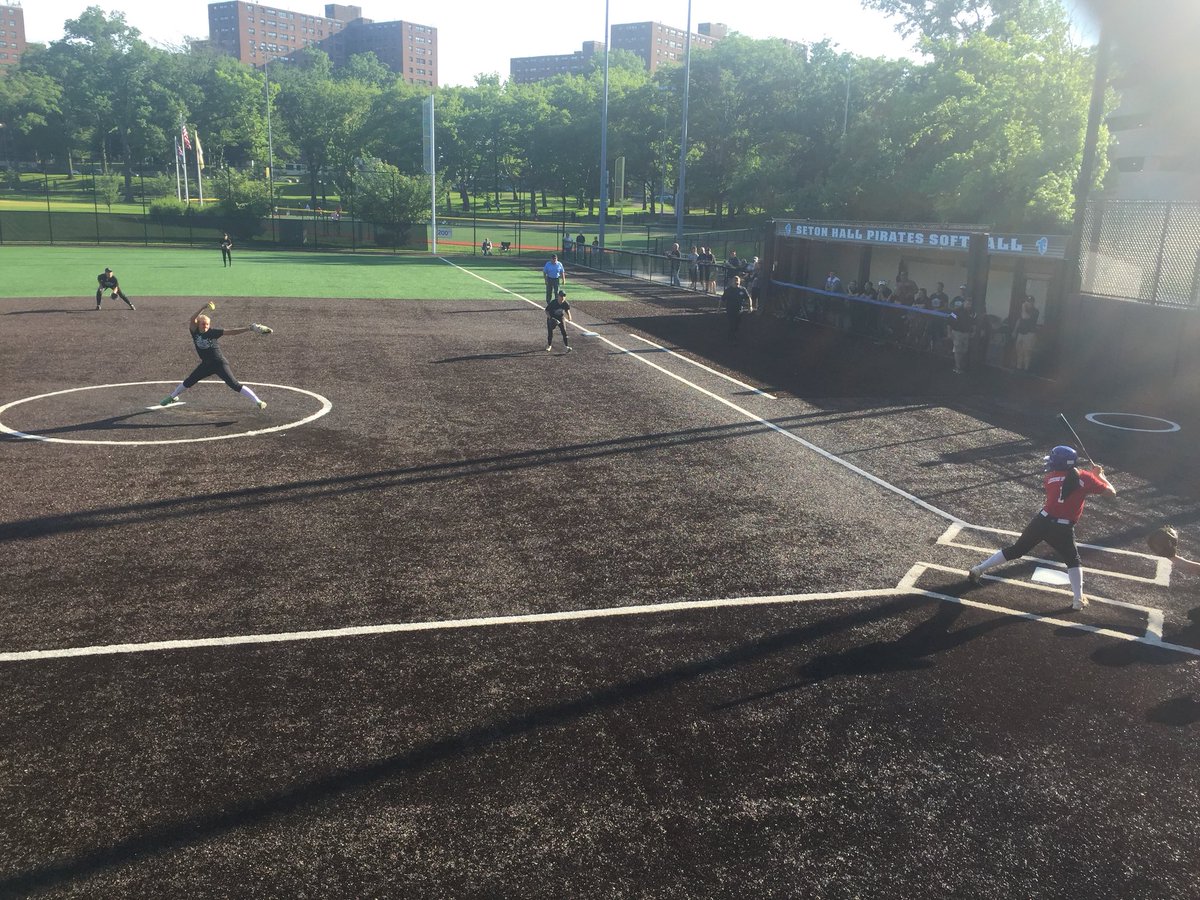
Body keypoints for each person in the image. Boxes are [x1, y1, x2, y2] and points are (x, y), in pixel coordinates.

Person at [969, 445, 1116, 610]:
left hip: (1042, 522)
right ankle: (1078, 600)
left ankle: (979, 569)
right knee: (1073, 561)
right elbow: (1111, 492)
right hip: (1063, 528)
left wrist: (1091, 476)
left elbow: (1070, 480)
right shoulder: (1086, 479)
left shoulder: (1049, 478)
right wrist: (1099, 476)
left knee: (1016, 550)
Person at [159, 301, 271, 409]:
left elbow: (232, 331)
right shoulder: (194, 331)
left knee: (234, 385)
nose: (205, 326)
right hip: (206, 365)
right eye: (203, 324)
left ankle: (258, 401)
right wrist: (203, 307)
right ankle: (172, 397)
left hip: (219, 364)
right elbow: (192, 319)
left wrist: (249, 328)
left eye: (207, 324)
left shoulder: (212, 332)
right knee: (189, 381)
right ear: (198, 324)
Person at [949, 296, 976, 374]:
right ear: (964, 303)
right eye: (967, 303)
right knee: (958, 350)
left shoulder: (972, 312)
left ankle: (960, 365)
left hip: (966, 333)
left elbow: (974, 323)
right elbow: (949, 322)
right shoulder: (956, 311)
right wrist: (949, 333)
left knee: (964, 350)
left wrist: (974, 332)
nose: (969, 305)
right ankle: (957, 367)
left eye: (970, 304)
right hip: (957, 333)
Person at [1013, 295, 1040, 370]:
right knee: (1019, 351)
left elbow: (1025, 317)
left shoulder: (1035, 311)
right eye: (1027, 301)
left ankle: (1026, 369)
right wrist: (1015, 331)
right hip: (1021, 333)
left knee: (1027, 352)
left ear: (1033, 303)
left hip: (1029, 334)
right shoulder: (1023, 310)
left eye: (1030, 302)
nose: (1027, 303)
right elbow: (1019, 320)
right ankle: (1018, 368)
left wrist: (1023, 307)